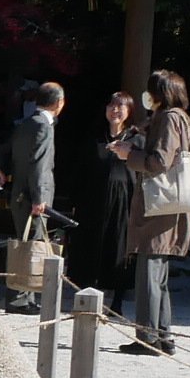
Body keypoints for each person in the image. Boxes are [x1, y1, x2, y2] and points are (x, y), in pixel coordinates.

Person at [115, 70, 190, 353]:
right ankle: (163, 336)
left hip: (159, 205)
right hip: (171, 205)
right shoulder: (178, 117)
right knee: (157, 274)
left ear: (159, 93)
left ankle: (147, 338)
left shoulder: (168, 118)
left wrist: (129, 156)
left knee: (149, 272)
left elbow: (159, 161)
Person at [79, 86, 140, 307]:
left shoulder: (135, 139)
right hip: (96, 198)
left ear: (129, 110)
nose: (115, 110)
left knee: (120, 247)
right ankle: (91, 295)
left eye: (120, 106)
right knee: (95, 244)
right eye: (111, 105)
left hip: (124, 200)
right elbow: (83, 169)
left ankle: (118, 301)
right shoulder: (95, 137)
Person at [6, 80, 63, 310]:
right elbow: (39, 165)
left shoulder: (26, 123)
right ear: (60, 103)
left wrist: (2, 169)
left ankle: (23, 295)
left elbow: (6, 149)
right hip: (32, 196)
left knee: (25, 242)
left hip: (19, 192)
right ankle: (21, 297)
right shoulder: (43, 126)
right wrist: (40, 198)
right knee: (32, 244)